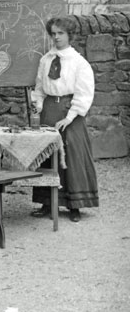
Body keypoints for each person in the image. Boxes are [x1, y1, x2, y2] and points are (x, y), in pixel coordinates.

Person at [31, 16, 99, 222]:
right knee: (47, 154)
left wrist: (69, 117)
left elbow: (84, 93)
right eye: (53, 33)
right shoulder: (46, 60)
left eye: (61, 33)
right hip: (49, 109)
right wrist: (38, 105)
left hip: (70, 111)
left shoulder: (79, 63)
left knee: (71, 156)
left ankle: (74, 205)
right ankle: (46, 202)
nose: (56, 37)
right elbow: (40, 87)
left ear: (70, 35)